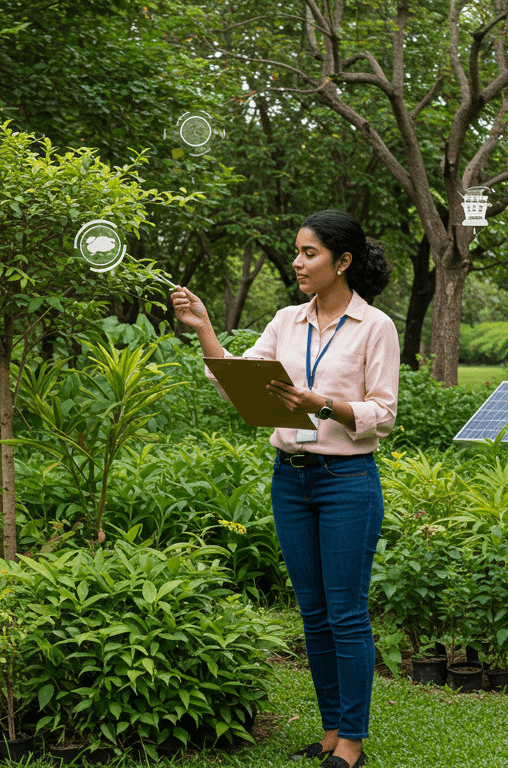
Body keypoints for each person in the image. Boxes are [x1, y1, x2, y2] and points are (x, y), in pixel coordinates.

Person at [171, 209, 399, 768]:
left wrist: (318, 402)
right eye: (296, 252)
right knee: (313, 611)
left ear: (342, 262)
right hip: (290, 481)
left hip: (347, 481)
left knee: (346, 612)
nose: (297, 263)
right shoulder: (285, 321)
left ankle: (352, 741)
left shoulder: (376, 327)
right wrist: (204, 327)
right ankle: (329, 732)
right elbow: (238, 381)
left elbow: (384, 413)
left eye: (309, 254)